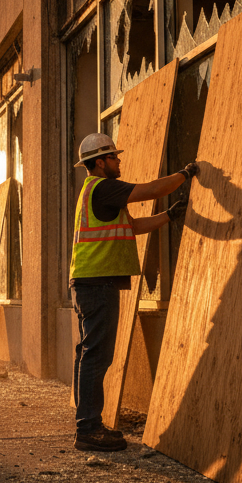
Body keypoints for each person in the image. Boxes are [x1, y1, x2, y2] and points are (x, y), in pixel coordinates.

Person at [70, 132, 197, 451]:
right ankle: (88, 429)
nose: (118, 161)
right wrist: (186, 174)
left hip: (90, 282)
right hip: (97, 282)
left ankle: (88, 423)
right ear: (100, 162)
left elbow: (132, 226)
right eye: (114, 157)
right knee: (97, 355)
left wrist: (168, 216)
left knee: (89, 352)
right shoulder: (104, 187)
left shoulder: (94, 192)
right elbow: (152, 190)